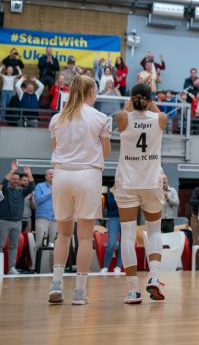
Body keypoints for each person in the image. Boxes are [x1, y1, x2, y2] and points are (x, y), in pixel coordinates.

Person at [47, 74, 112, 304]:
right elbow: (106, 152)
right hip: (87, 175)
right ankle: (79, 292)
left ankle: (56, 285)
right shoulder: (101, 118)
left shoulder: (57, 118)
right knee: (84, 238)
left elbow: (56, 148)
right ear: (91, 93)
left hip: (62, 175)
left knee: (63, 234)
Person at [112, 84, 168, 303]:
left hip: (127, 182)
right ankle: (154, 277)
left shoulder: (122, 118)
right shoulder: (160, 119)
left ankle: (133, 290)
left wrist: (132, 101)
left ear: (131, 99)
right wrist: (150, 99)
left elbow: (126, 111)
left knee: (127, 235)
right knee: (154, 231)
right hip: (151, 183)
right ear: (149, 99)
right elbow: (155, 111)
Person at [0, 163, 34, 274]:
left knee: (13, 246)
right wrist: (12, 170)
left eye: (17, 179)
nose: (15, 180)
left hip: (17, 222)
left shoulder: (22, 192)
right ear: (10, 180)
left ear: (19, 181)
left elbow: (31, 186)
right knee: (0, 245)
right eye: (13, 179)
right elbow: (2, 183)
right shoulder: (5, 190)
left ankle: (11, 268)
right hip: (4, 221)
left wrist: (29, 173)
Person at [34, 169, 58, 252]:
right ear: (45, 176)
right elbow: (37, 200)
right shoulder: (39, 186)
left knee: (54, 244)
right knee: (40, 242)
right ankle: (36, 265)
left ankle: (52, 265)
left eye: (53, 174)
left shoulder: (60, 187)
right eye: (50, 174)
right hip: (43, 217)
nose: (52, 175)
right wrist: (49, 193)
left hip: (56, 218)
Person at [100, 185, 121, 274]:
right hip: (113, 218)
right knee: (111, 243)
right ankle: (105, 266)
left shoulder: (126, 189)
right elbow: (109, 205)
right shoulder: (109, 191)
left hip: (126, 217)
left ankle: (118, 266)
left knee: (124, 244)